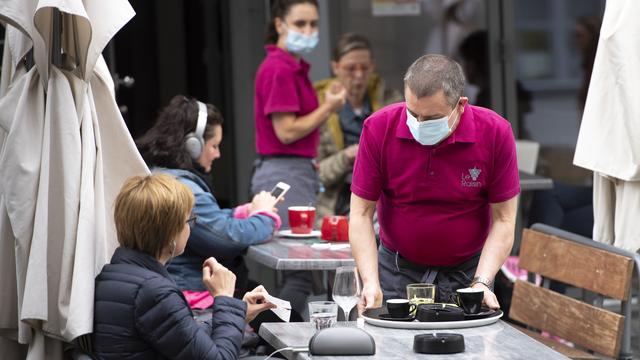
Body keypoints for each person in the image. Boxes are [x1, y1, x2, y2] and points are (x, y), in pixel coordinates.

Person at [350, 54, 520, 313]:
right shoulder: (378, 128)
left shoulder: (495, 132)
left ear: (460, 105)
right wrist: (370, 281)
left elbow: (505, 220)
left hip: (468, 275)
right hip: (397, 269)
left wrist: (483, 282)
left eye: (431, 119)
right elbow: (361, 213)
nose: (418, 124)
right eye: (412, 113)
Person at [93, 173, 275, 359]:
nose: (190, 228)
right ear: (170, 233)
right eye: (189, 221)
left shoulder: (117, 273)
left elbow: (183, 339)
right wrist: (224, 298)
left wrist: (238, 314)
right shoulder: (153, 292)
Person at [251, 0, 346, 315]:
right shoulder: (279, 68)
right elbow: (287, 132)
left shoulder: (290, 65)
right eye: (300, 23)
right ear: (279, 24)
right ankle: (272, 336)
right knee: (300, 271)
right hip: (286, 173)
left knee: (300, 270)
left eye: (313, 24)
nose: (308, 31)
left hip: (294, 172)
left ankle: (274, 334)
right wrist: (329, 108)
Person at [136, 96, 281, 297]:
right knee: (286, 315)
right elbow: (226, 238)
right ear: (192, 145)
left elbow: (209, 223)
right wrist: (264, 216)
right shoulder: (184, 189)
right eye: (214, 146)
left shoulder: (161, 174)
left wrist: (244, 212)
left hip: (183, 284)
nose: (218, 154)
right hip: (194, 292)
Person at [314, 33, 388, 226]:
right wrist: (346, 157)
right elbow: (315, 174)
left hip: (380, 207)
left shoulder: (389, 102)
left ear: (373, 66)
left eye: (364, 68)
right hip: (333, 207)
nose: (358, 75)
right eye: (350, 68)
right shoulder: (320, 108)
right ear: (335, 67)